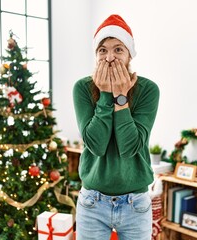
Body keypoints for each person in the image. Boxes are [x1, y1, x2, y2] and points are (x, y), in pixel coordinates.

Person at [72, 14, 160, 240]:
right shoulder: (82, 88)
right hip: (92, 202)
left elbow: (130, 146)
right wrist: (105, 94)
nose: (110, 57)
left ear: (130, 54)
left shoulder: (148, 90)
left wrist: (121, 97)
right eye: (103, 50)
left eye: (118, 49)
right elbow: (96, 145)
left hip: (135, 204)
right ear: (96, 54)